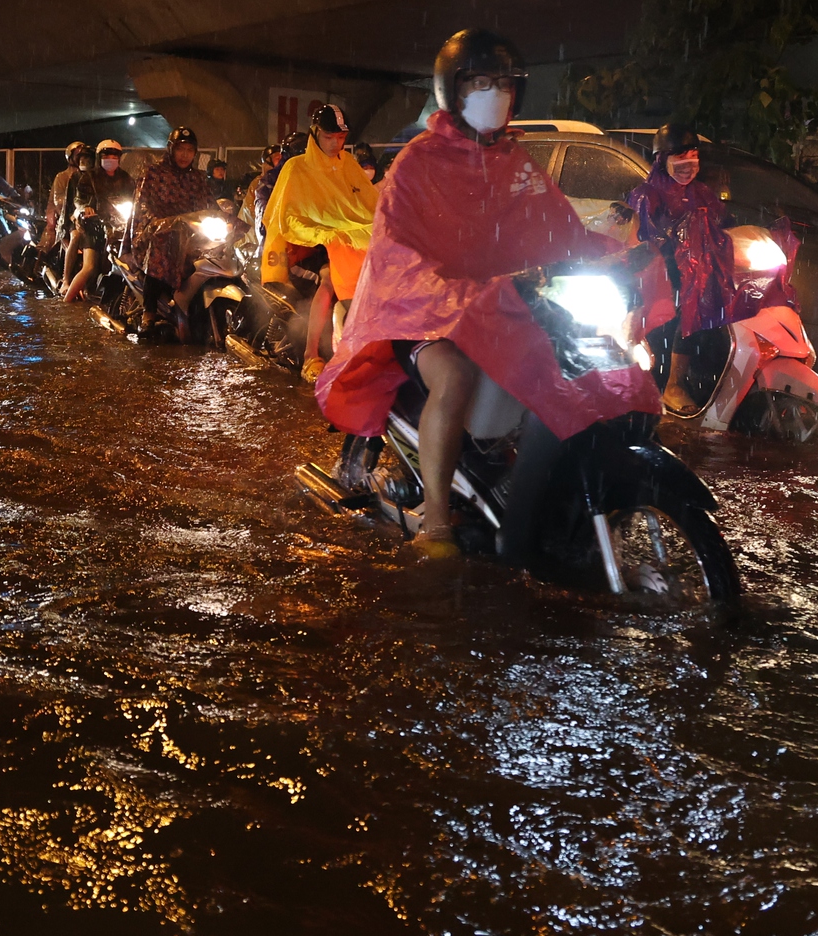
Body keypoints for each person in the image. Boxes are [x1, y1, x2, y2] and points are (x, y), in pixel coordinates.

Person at [315, 29, 660, 558]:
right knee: (453, 377)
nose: (493, 93)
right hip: (423, 314)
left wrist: (620, 253)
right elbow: (397, 249)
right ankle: (435, 522)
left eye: (503, 83)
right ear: (453, 89)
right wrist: (450, 291)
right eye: (480, 81)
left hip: (499, 304)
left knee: (575, 362)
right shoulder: (416, 163)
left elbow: (557, 227)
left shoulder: (515, 163)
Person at [260, 103, 379, 381]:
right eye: (329, 136)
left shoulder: (348, 165)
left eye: (340, 137)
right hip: (306, 247)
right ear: (315, 133)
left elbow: (370, 205)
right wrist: (323, 234)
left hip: (347, 243)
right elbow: (287, 220)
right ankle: (311, 354)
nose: (336, 143)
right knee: (328, 280)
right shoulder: (296, 168)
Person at [625, 124, 734, 413]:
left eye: (693, 161)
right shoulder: (647, 194)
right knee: (692, 304)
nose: (688, 169)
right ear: (663, 161)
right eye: (680, 162)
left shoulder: (702, 193)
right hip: (660, 274)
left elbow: (725, 223)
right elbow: (642, 237)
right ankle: (673, 385)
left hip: (697, 272)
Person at [127, 126, 216, 333]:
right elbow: (142, 205)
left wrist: (225, 216)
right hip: (159, 232)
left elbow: (210, 205)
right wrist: (157, 223)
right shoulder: (154, 173)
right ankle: (149, 312)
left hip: (192, 231)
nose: (184, 155)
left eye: (189, 150)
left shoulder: (198, 178)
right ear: (170, 149)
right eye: (180, 149)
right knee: (160, 250)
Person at [60, 139, 134, 302]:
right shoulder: (89, 177)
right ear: (99, 157)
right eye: (106, 155)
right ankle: (67, 298)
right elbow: (79, 199)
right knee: (90, 267)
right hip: (93, 226)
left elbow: (135, 198)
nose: (110, 158)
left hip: (118, 226)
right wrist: (86, 208)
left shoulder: (126, 178)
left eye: (114, 155)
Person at [41, 141, 91, 255]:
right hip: (66, 217)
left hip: (86, 216)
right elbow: (59, 201)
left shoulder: (91, 175)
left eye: (84, 156)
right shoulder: (62, 177)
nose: (81, 159)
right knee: (70, 241)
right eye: (78, 156)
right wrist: (76, 208)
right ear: (71, 158)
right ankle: (66, 270)